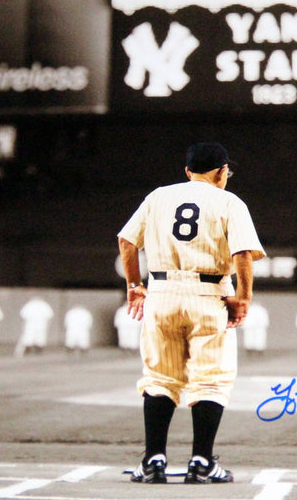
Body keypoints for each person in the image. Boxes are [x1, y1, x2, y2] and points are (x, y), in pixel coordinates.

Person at [117, 142, 266, 484]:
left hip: (161, 292)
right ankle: (201, 462)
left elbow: (127, 241)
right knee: (211, 379)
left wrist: (134, 285)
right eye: (227, 170)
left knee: (159, 377)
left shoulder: (158, 197)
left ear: (187, 171)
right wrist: (243, 298)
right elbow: (243, 254)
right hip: (210, 293)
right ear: (221, 171)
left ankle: (153, 460)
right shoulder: (230, 201)